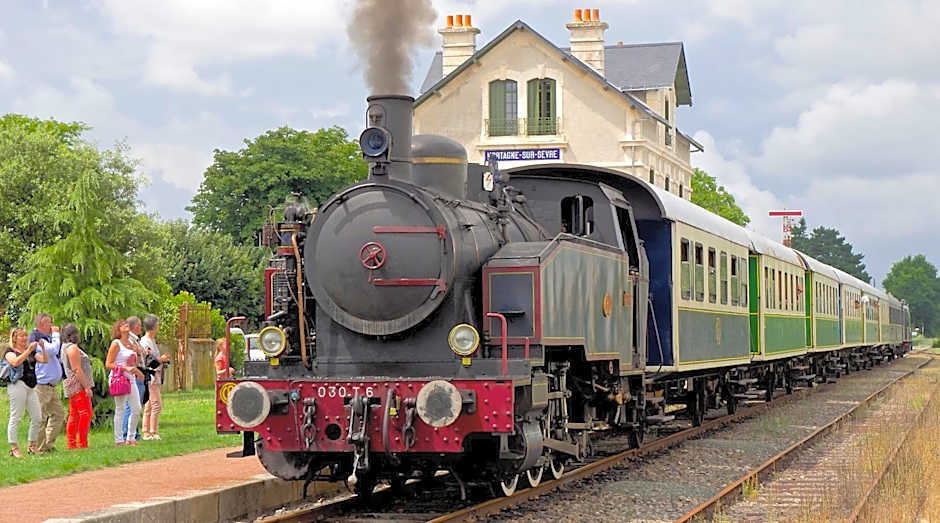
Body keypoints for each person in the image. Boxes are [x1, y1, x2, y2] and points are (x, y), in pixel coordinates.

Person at [5, 327, 47, 457]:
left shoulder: (31, 352)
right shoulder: (9, 352)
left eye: (25, 336)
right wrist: (28, 351)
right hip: (18, 385)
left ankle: (32, 446)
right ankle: (14, 447)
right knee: (16, 416)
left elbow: (44, 360)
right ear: (14, 338)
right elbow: (15, 362)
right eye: (21, 336)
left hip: (31, 387)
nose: (24, 338)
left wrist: (43, 348)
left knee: (37, 417)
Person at [106, 320, 143, 446]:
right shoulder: (116, 344)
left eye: (126, 323)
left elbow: (134, 363)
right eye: (122, 324)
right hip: (119, 378)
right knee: (120, 408)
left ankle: (131, 437)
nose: (125, 325)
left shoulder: (131, 343)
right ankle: (118, 439)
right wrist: (125, 368)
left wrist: (137, 353)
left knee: (136, 408)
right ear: (118, 329)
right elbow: (108, 364)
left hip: (131, 378)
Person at [31, 313, 64, 453]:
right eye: (49, 323)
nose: (52, 326)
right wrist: (56, 335)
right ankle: (40, 447)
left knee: (59, 413)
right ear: (41, 324)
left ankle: (48, 444)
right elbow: (53, 350)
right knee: (41, 416)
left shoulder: (47, 338)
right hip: (41, 385)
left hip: (52, 386)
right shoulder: (36, 338)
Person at [61, 324, 93, 449]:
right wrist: (87, 387)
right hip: (78, 384)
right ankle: (82, 443)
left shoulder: (64, 347)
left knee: (74, 414)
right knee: (85, 413)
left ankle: (72, 443)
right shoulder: (72, 348)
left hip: (72, 384)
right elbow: (77, 369)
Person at [140, 315, 169, 440]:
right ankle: (153, 432)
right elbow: (148, 360)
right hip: (151, 375)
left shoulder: (151, 340)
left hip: (155, 375)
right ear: (154, 326)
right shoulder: (146, 342)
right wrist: (160, 359)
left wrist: (162, 360)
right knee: (156, 404)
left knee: (150, 405)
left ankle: (146, 431)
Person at [122, 316, 147, 441]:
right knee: (131, 406)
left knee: (135, 405)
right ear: (135, 326)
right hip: (134, 373)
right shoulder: (130, 340)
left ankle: (133, 432)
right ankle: (128, 433)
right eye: (140, 325)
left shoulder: (135, 340)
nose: (141, 328)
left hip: (137, 373)